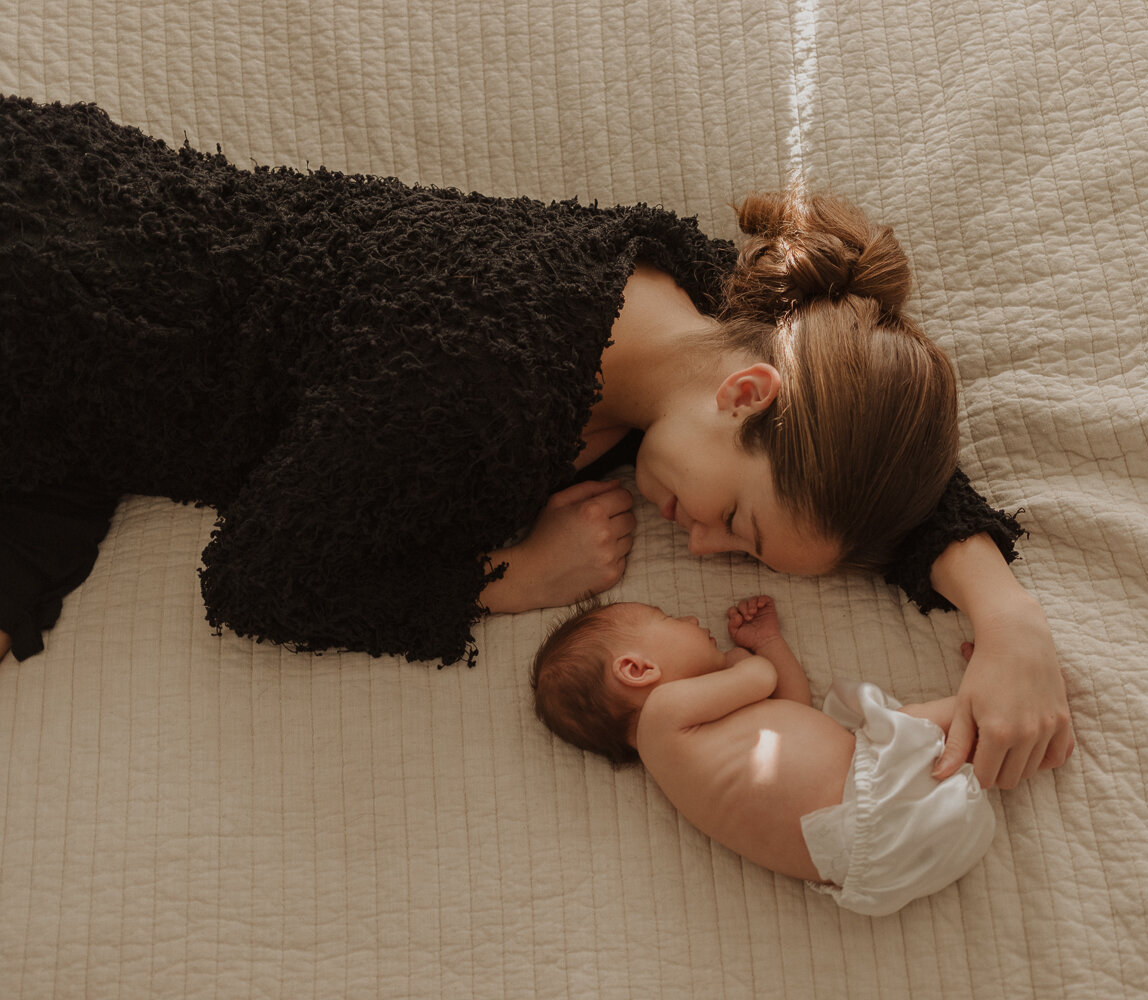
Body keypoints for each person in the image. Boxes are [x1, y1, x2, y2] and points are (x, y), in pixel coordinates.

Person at [0, 95, 1070, 789]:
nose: (701, 548)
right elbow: (258, 578)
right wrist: (511, 577)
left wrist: (1007, 619)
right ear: (747, 395)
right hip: (45, 308)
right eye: (734, 524)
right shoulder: (479, 381)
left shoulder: (702, 306)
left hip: (96, 377)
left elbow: (863, 452)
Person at [532, 594, 997, 916]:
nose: (692, 619)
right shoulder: (662, 713)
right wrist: (743, 658)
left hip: (868, 857)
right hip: (868, 810)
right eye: (669, 618)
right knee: (902, 721)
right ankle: (995, 696)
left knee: (910, 732)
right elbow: (761, 678)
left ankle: (994, 727)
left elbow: (793, 708)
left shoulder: (686, 741)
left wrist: (771, 643)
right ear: (637, 669)